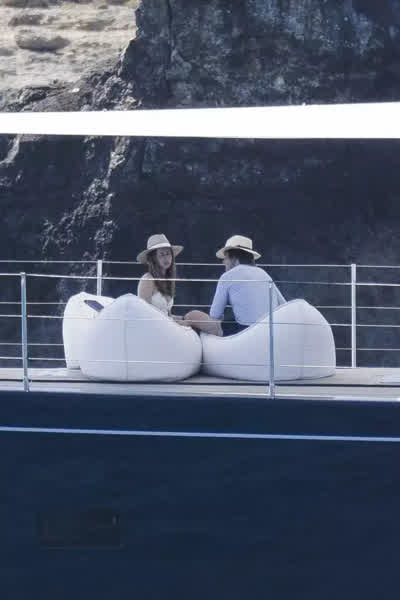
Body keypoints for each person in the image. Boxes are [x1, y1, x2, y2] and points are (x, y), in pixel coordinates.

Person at [208, 234, 286, 336]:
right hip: (270, 330)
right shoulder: (263, 273)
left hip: (246, 332)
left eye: (226, 258)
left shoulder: (227, 276)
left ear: (234, 258)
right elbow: (283, 304)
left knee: (194, 316)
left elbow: (215, 315)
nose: (223, 262)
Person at [137, 233, 183, 317]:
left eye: (168, 254)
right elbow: (143, 312)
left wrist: (184, 319)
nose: (166, 258)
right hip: (152, 323)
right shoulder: (148, 279)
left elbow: (168, 314)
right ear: (153, 258)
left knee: (193, 316)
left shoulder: (167, 279)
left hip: (166, 322)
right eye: (161, 254)